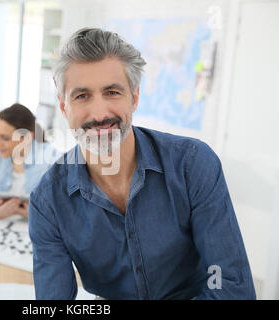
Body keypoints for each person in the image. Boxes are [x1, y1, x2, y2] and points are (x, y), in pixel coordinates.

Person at [28, 28, 256, 300]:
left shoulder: (193, 165)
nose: (100, 114)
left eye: (112, 92)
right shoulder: (47, 201)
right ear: (64, 107)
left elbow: (231, 287)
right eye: (82, 96)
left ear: (134, 97)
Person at [0, 103, 60, 220]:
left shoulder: (52, 159)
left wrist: (38, 216)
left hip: (35, 230)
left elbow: (60, 210)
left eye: (5, 138)